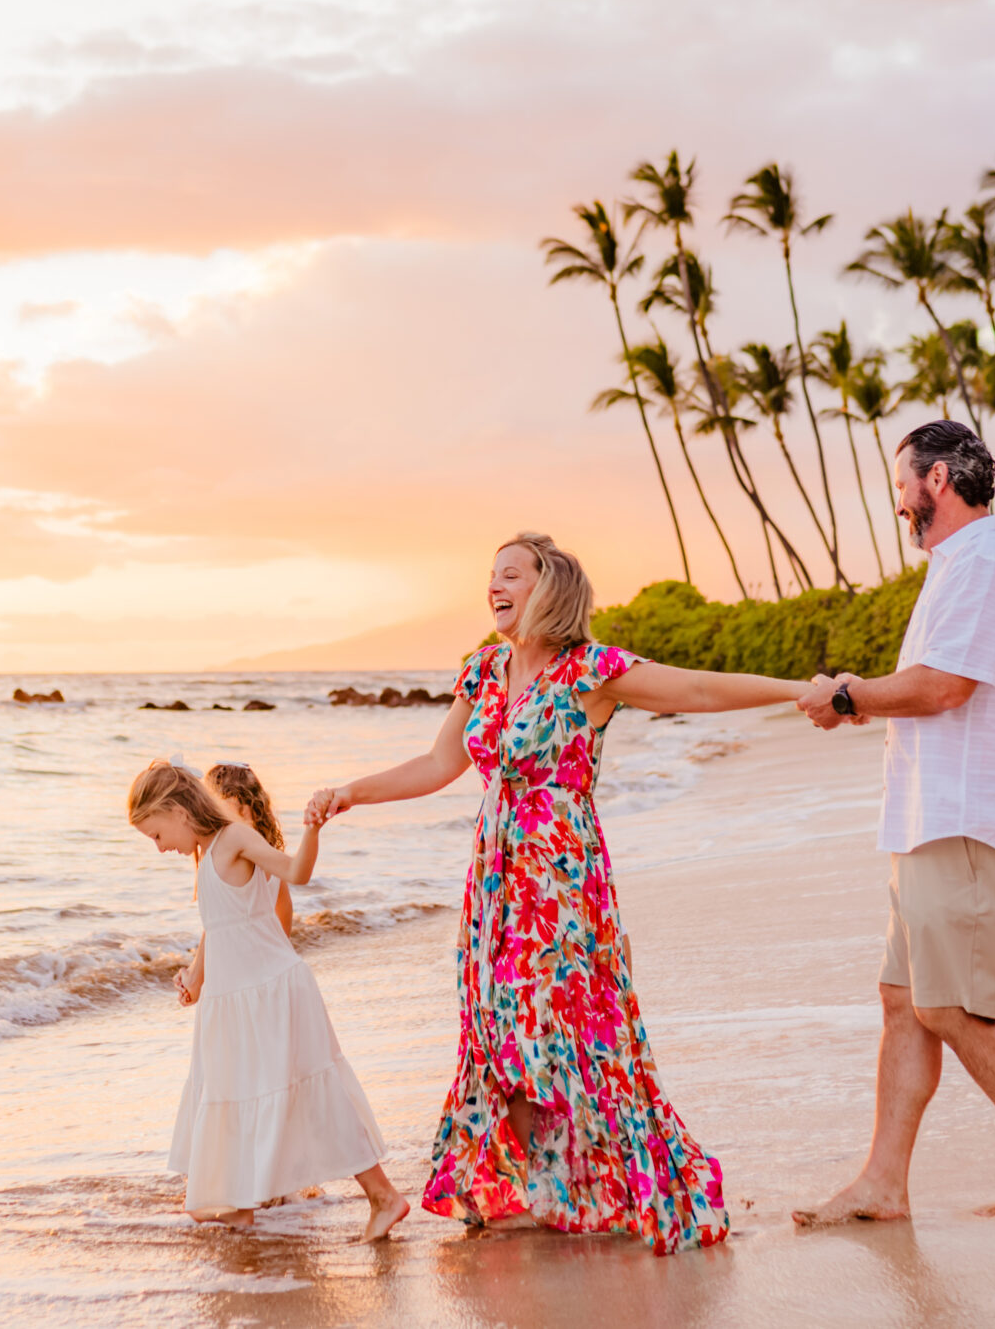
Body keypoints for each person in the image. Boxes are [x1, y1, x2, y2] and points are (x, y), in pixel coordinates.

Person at [304, 531, 828, 1254]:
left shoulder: (592, 670)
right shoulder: (483, 671)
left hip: (560, 877)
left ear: (547, 585)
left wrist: (799, 689)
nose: (494, 584)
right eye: (490, 574)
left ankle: (580, 1186)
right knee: (498, 1032)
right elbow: (436, 763)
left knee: (556, 1030)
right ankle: (524, 1190)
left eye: (510, 573)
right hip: (494, 879)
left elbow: (698, 688)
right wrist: (350, 792)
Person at [791, 420, 995, 1224]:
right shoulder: (958, 566)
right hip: (927, 823)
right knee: (903, 1000)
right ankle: (884, 1181)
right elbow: (932, 684)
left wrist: (849, 693)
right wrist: (857, 702)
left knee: (950, 1007)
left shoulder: (985, 564)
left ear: (942, 478)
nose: (898, 503)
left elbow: (946, 685)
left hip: (968, 824)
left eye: (902, 485)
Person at [126, 760, 409, 1242]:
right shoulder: (207, 853)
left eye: (155, 834)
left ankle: (385, 1198)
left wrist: (313, 828)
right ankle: (238, 1206)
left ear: (177, 810)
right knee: (232, 1092)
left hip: (273, 992)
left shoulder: (234, 838)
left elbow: (297, 871)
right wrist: (194, 977)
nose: (158, 848)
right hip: (233, 1001)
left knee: (313, 1098)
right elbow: (218, 926)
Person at [200, 762, 295, 939]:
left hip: (240, 958)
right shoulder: (271, 856)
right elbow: (284, 915)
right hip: (266, 956)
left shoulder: (221, 858)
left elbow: (214, 924)